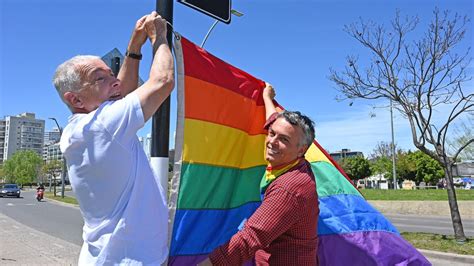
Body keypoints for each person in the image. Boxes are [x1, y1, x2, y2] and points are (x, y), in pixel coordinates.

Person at [53, 11, 174, 265]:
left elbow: (121, 93)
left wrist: (133, 47)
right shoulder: (104, 125)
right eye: (101, 78)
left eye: (112, 74)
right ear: (75, 99)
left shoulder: (79, 131)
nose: (115, 82)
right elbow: (163, 81)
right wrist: (160, 38)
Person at [200, 83, 319, 265]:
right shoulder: (293, 163)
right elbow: (274, 120)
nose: (272, 142)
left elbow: (250, 238)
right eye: (271, 133)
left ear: (301, 149)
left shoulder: (290, 188)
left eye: (283, 139)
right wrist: (267, 98)